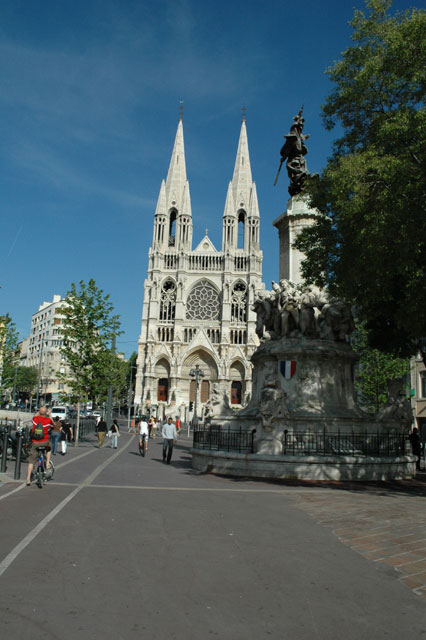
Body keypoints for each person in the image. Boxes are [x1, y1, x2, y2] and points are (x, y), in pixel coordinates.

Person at [26, 405, 53, 486]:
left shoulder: (35, 419)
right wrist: (50, 414)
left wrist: (39, 410)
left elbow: (34, 416)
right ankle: (47, 463)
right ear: (46, 413)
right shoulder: (48, 420)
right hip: (45, 442)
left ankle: (28, 479)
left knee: (31, 461)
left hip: (35, 442)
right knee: (49, 448)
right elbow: (53, 424)